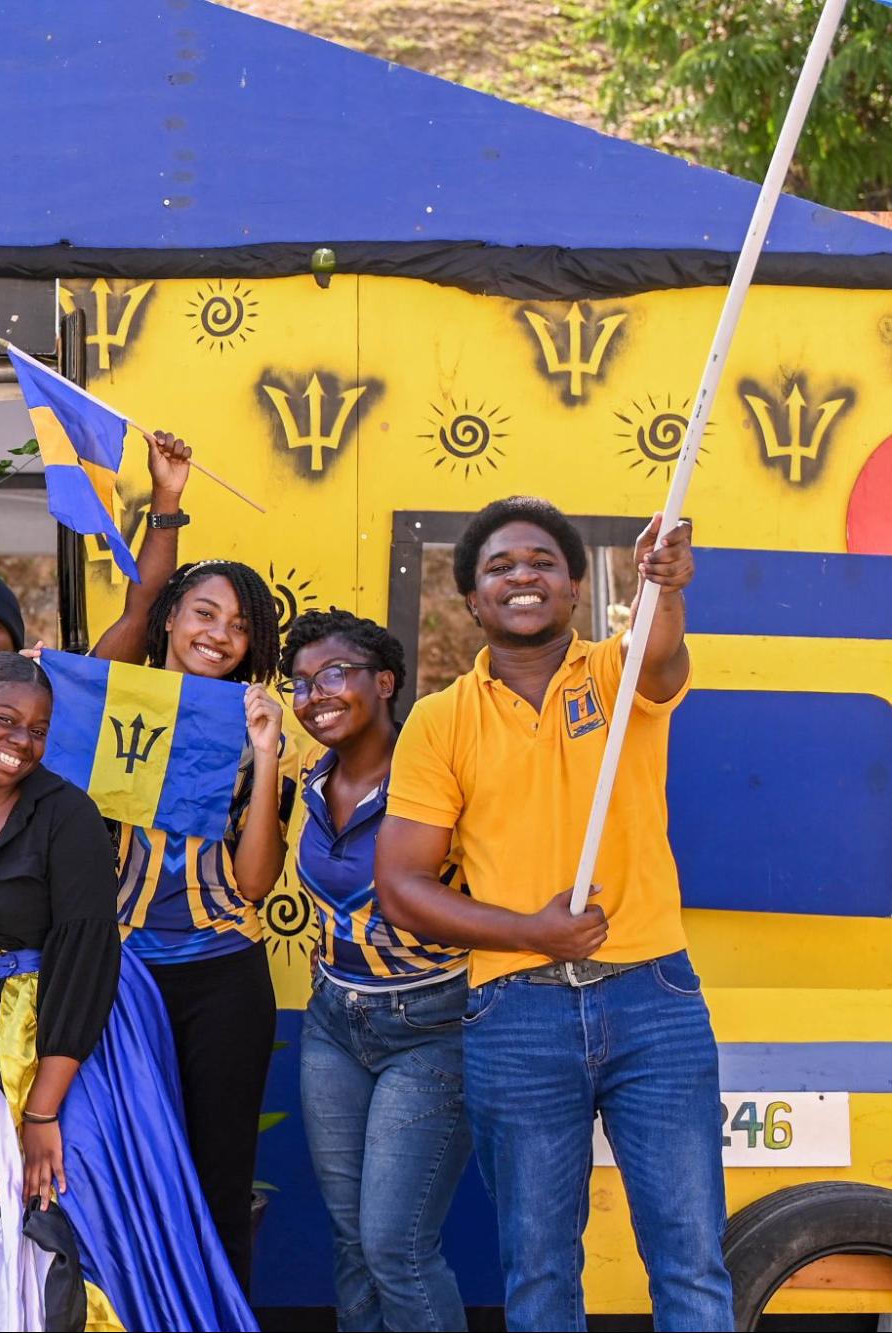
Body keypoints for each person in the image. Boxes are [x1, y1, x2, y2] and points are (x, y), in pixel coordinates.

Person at [374, 497, 728, 1331]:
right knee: (537, 1269)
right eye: (498, 566)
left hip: (654, 999)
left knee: (689, 1259)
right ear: (471, 600)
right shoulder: (439, 720)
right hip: (514, 1011)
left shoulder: (616, 669)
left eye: (540, 562)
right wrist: (530, 932)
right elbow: (402, 887)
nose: (521, 575)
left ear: (572, 587)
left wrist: (663, 586)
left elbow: (662, 651)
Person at [0, 654, 255, 1331]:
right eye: (5, 719)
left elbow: (87, 953)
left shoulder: (68, 812)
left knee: (77, 1205)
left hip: (75, 1042)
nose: (21, 740)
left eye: (37, 728)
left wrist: (42, 1110)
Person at [81, 430, 288, 1290]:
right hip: (118, 973)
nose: (219, 633)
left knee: (217, 1184)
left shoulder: (250, 729)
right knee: (120, 1178)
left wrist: (270, 755)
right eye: (203, 613)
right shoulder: (111, 697)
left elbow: (250, 884)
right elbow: (134, 608)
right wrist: (167, 503)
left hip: (224, 975)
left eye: (238, 626)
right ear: (171, 618)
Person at [282, 609, 471, 1332]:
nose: (313, 694)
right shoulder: (308, 776)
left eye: (332, 673)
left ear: (384, 681)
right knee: (352, 1241)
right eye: (299, 682)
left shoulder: (436, 773)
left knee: (396, 1245)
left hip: (429, 1024)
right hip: (334, 1021)